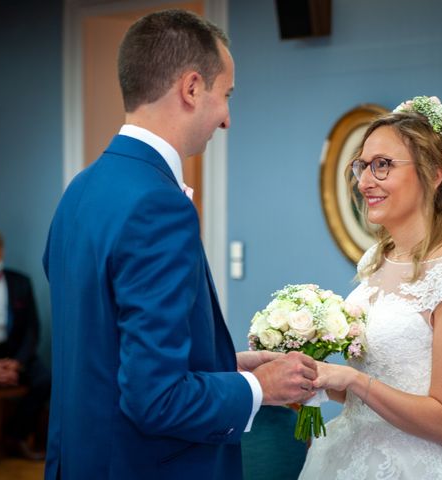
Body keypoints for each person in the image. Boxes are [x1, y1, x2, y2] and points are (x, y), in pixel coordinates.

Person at [43, 9, 317, 480]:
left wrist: (226, 364)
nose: (227, 119)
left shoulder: (79, 191)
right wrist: (258, 387)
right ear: (192, 88)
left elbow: (108, 348)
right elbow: (155, 398)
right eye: (225, 96)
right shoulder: (157, 204)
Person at [299, 96, 442, 479]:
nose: (364, 181)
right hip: (347, 455)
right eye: (362, 165)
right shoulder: (375, 258)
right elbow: (370, 390)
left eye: (382, 166)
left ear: (435, 174)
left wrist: (352, 378)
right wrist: (315, 379)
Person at [0, 225, 50, 462]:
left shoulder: (21, 282)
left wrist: (17, 363)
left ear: (1, 251)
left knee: (45, 379)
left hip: (14, 353)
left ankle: (15, 436)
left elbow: (32, 330)